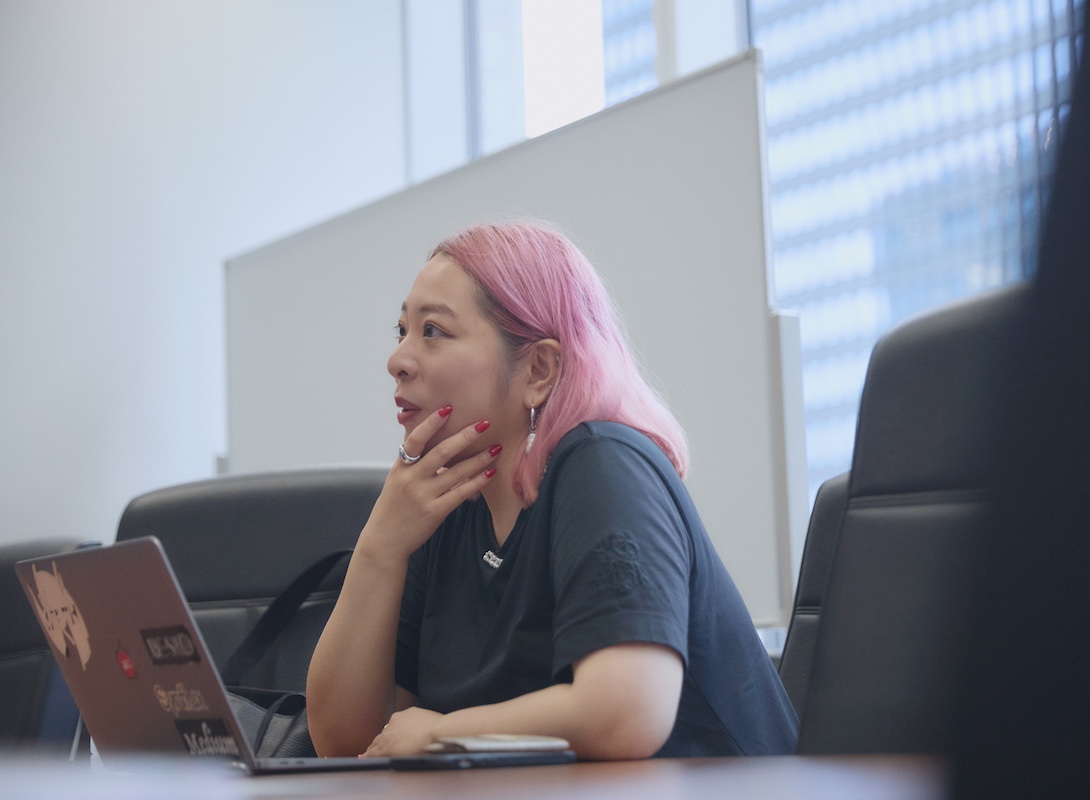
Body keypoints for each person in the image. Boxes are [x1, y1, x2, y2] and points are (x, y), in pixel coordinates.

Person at [306, 220, 799, 760]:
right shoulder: (443, 508)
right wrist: (379, 545)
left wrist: (438, 733)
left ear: (538, 370)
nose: (397, 360)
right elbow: (344, 741)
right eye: (401, 330)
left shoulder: (603, 464)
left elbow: (628, 711)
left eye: (433, 331)